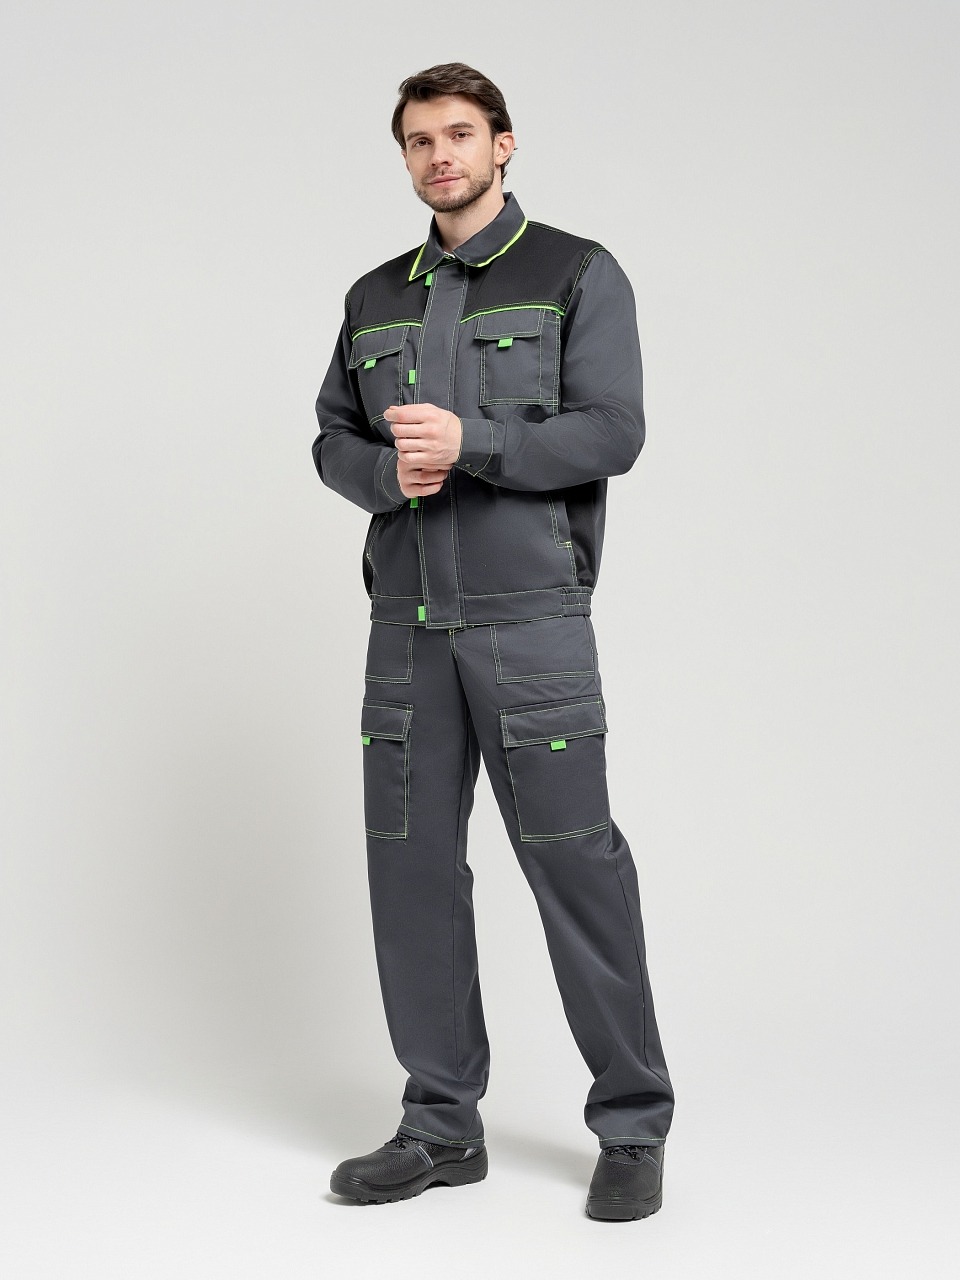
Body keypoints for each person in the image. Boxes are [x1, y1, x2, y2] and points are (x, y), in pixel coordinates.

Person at [312, 62, 675, 1220]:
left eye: (460, 134)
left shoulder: (575, 272)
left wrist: (473, 442)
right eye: (420, 140)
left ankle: (633, 1122)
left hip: (532, 627)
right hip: (406, 630)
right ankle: (439, 1125)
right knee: (410, 870)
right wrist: (387, 472)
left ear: (502, 144)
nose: (440, 156)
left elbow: (613, 430)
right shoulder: (374, 296)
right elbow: (331, 438)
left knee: (578, 865)